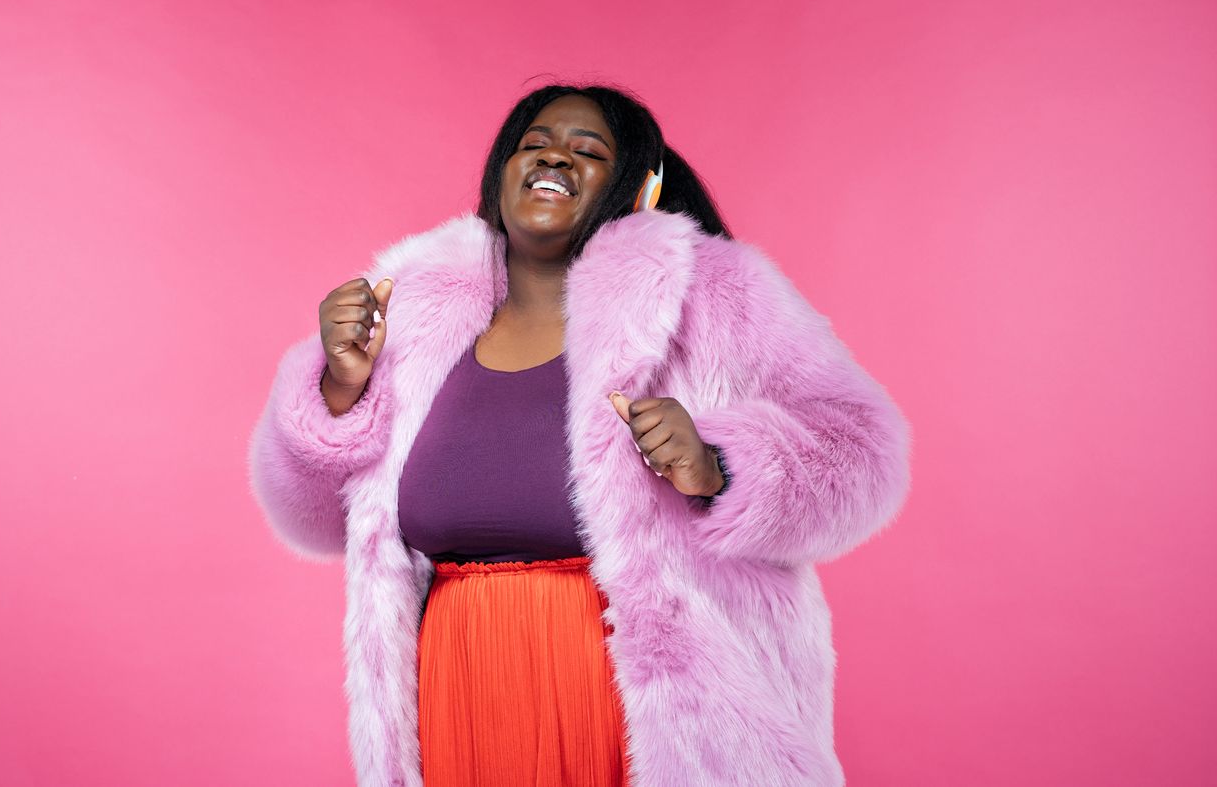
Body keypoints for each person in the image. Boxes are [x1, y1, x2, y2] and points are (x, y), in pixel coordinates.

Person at [247, 82, 912, 787]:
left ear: (636, 188)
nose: (554, 157)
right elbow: (316, 522)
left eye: (586, 151)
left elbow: (864, 448)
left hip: (640, 717)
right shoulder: (407, 316)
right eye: (533, 144)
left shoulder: (709, 293)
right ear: (501, 171)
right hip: (455, 705)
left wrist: (719, 463)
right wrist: (339, 388)